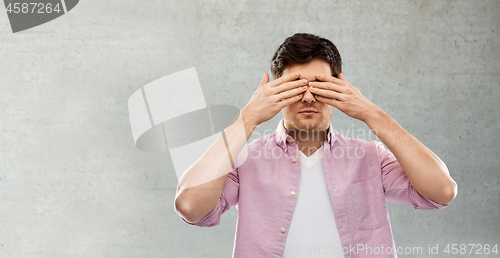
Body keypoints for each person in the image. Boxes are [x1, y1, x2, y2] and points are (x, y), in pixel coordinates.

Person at [174, 33, 457, 258]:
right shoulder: (246, 161)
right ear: (274, 92)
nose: (308, 98)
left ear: (340, 89)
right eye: (295, 87)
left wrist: (372, 113)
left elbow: (441, 191)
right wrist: (247, 119)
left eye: (320, 86)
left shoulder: (370, 157)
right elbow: (190, 206)